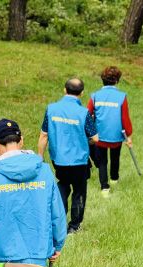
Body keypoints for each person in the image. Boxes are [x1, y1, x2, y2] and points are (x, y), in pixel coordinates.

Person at [0, 119, 67, 267]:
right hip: (38, 256)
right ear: (21, 140)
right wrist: (57, 244)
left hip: (0, 259)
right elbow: (57, 213)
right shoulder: (44, 171)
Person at [37, 78, 98, 234]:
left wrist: (40, 156)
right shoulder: (84, 113)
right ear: (82, 93)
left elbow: (44, 135)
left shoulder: (51, 109)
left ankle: (58, 221)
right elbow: (95, 138)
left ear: (65, 90)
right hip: (79, 161)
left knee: (63, 185)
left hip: (59, 160)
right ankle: (74, 227)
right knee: (79, 190)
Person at [88, 66, 133, 197]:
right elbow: (125, 118)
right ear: (117, 81)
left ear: (102, 80)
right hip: (116, 136)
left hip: (99, 136)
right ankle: (114, 179)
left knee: (102, 161)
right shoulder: (121, 97)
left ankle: (104, 187)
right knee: (115, 157)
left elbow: (87, 114)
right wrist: (128, 135)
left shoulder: (95, 96)